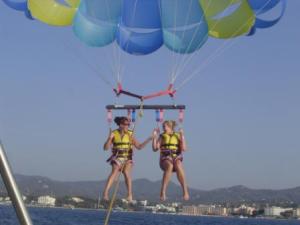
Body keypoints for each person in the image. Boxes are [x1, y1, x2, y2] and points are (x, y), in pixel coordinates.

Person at [102, 116, 152, 202]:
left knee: (126, 172)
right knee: (114, 172)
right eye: (125, 125)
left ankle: (129, 194)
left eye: (128, 125)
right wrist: (109, 138)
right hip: (117, 157)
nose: (127, 126)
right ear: (120, 125)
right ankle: (105, 193)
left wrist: (149, 139)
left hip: (127, 158)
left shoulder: (130, 134)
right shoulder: (114, 133)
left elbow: (139, 147)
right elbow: (105, 148)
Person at [152, 120, 189, 201]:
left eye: (164, 127)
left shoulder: (177, 135)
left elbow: (184, 149)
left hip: (176, 157)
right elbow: (155, 149)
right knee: (170, 166)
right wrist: (154, 137)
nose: (163, 128)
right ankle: (163, 191)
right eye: (163, 127)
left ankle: (185, 191)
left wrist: (182, 136)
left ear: (170, 127)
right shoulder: (162, 136)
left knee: (178, 165)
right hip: (165, 158)